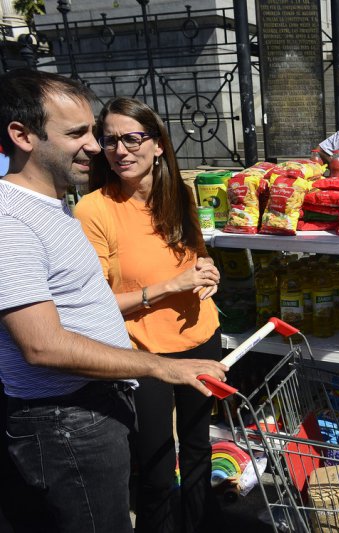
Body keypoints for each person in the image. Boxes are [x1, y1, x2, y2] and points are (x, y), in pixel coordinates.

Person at [0, 70, 227, 532]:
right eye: (81, 133)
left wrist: (204, 273)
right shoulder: (18, 221)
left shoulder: (54, 206)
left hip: (100, 400)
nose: (99, 147)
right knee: (146, 487)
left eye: (96, 133)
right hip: (69, 417)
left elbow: (83, 301)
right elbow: (41, 345)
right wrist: (158, 366)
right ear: (22, 136)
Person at [73, 97, 222, 533]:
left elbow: (197, 256)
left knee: (199, 452)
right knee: (156, 470)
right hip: (145, 357)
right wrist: (167, 288)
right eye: (111, 140)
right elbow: (95, 305)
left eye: (132, 138)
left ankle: (200, 525)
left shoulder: (180, 194)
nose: (120, 150)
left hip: (202, 337)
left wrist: (207, 273)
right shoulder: (94, 210)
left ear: (158, 144)